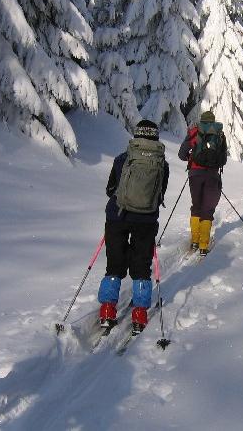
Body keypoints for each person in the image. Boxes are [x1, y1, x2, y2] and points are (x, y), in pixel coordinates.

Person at [98, 120, 169, 335]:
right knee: (141, 266)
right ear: (155, 137)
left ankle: (108, 310)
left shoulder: (123, 158)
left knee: (115, 264)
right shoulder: (161, 163)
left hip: (118, 217)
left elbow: (111, 188)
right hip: (146, 221)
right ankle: (139, 313)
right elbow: (160, 194)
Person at [179, 111, 227, 256]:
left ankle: (194, 240)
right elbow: (223, 159)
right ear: (213, 121)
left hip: (195, 174)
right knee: (207, 209)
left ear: (202, 120)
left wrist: (191, 158)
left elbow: (182, 154)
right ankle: (203, 245)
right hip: (212, 175)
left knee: (196, 206)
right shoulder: (219, 135)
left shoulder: (195, 132)